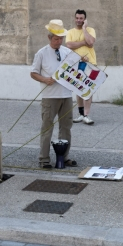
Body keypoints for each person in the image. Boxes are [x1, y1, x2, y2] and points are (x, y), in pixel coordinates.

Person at [30, 19, 77, 169]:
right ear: (49, 38)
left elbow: (76, 67)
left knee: (66, 127)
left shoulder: (67, 52)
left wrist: (84, 60)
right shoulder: (41, 53)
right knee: (47, 127)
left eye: (61, 38)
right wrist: (44, 79)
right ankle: (44, 159)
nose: (59, 41)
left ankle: (64, 157)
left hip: (66, 95)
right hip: (49, 96)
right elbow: (33, 73)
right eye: (56, 39)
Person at [66, 9, 96, 125]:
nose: (79, 20)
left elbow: (91, 42)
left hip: (90, 63)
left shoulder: (90, 30)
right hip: (76, 63)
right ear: (75, 18)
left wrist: (84, 29)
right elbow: (69, 45)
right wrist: (84, 43)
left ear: (85, 20)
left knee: (88, 89)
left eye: (81, 18)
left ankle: (87, 115)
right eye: (77, 18)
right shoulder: (70, 32)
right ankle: (81, 114)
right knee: (78, 89)